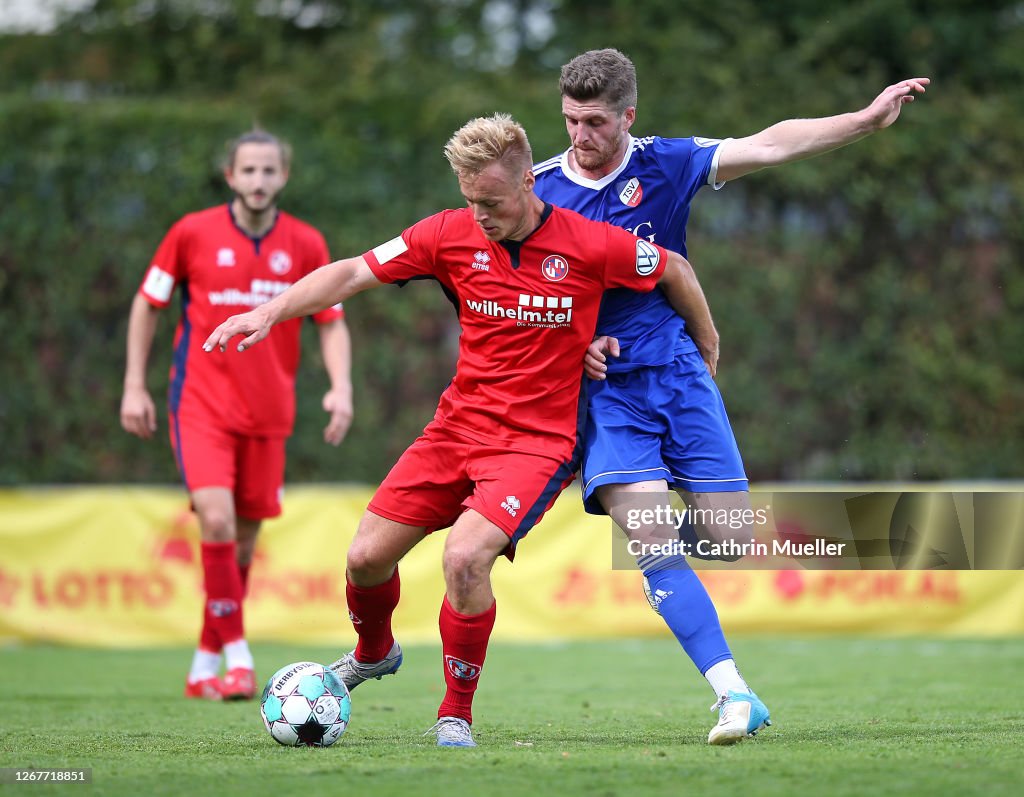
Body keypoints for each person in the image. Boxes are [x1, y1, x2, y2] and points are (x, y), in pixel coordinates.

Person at [202, 113, 719, 746]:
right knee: (364, 558)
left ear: (531, 181)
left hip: (535, 445)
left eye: (493, 202)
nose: (480, 215)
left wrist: (706, 343)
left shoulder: (590, 242)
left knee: (465, 559)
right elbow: (353, 273)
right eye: (470, 200)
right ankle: (373, 653)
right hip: (456, 428)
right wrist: (270, 311)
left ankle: (455, 712)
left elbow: (674, 270)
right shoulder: (447, 234)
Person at [532, 48, 929, 744]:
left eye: (594, 121)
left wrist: (866, 121)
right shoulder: (539, 194)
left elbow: (773, 143)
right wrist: (572, 345)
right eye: (569, 120)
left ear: (628, 115)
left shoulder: (668, 162)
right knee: (650, 531)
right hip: (606, 392)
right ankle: (735, 693)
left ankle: (657, 538)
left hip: (679, 374)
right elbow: (513, 298)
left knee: (731, 536)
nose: (579, 137)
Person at [120, 129, 354, 701]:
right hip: (199, 405)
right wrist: (134, 385)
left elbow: (333, 321)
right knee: (217, 522)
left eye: (268, 171)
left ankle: (204, 662)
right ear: (230, 176)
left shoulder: (305, 243)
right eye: (247, 171)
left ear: (284, 177)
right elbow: (147, 304)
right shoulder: (190, 233)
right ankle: (239, 658)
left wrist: (340, 387)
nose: (258, 181)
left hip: (269, 413)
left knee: (243, 546)